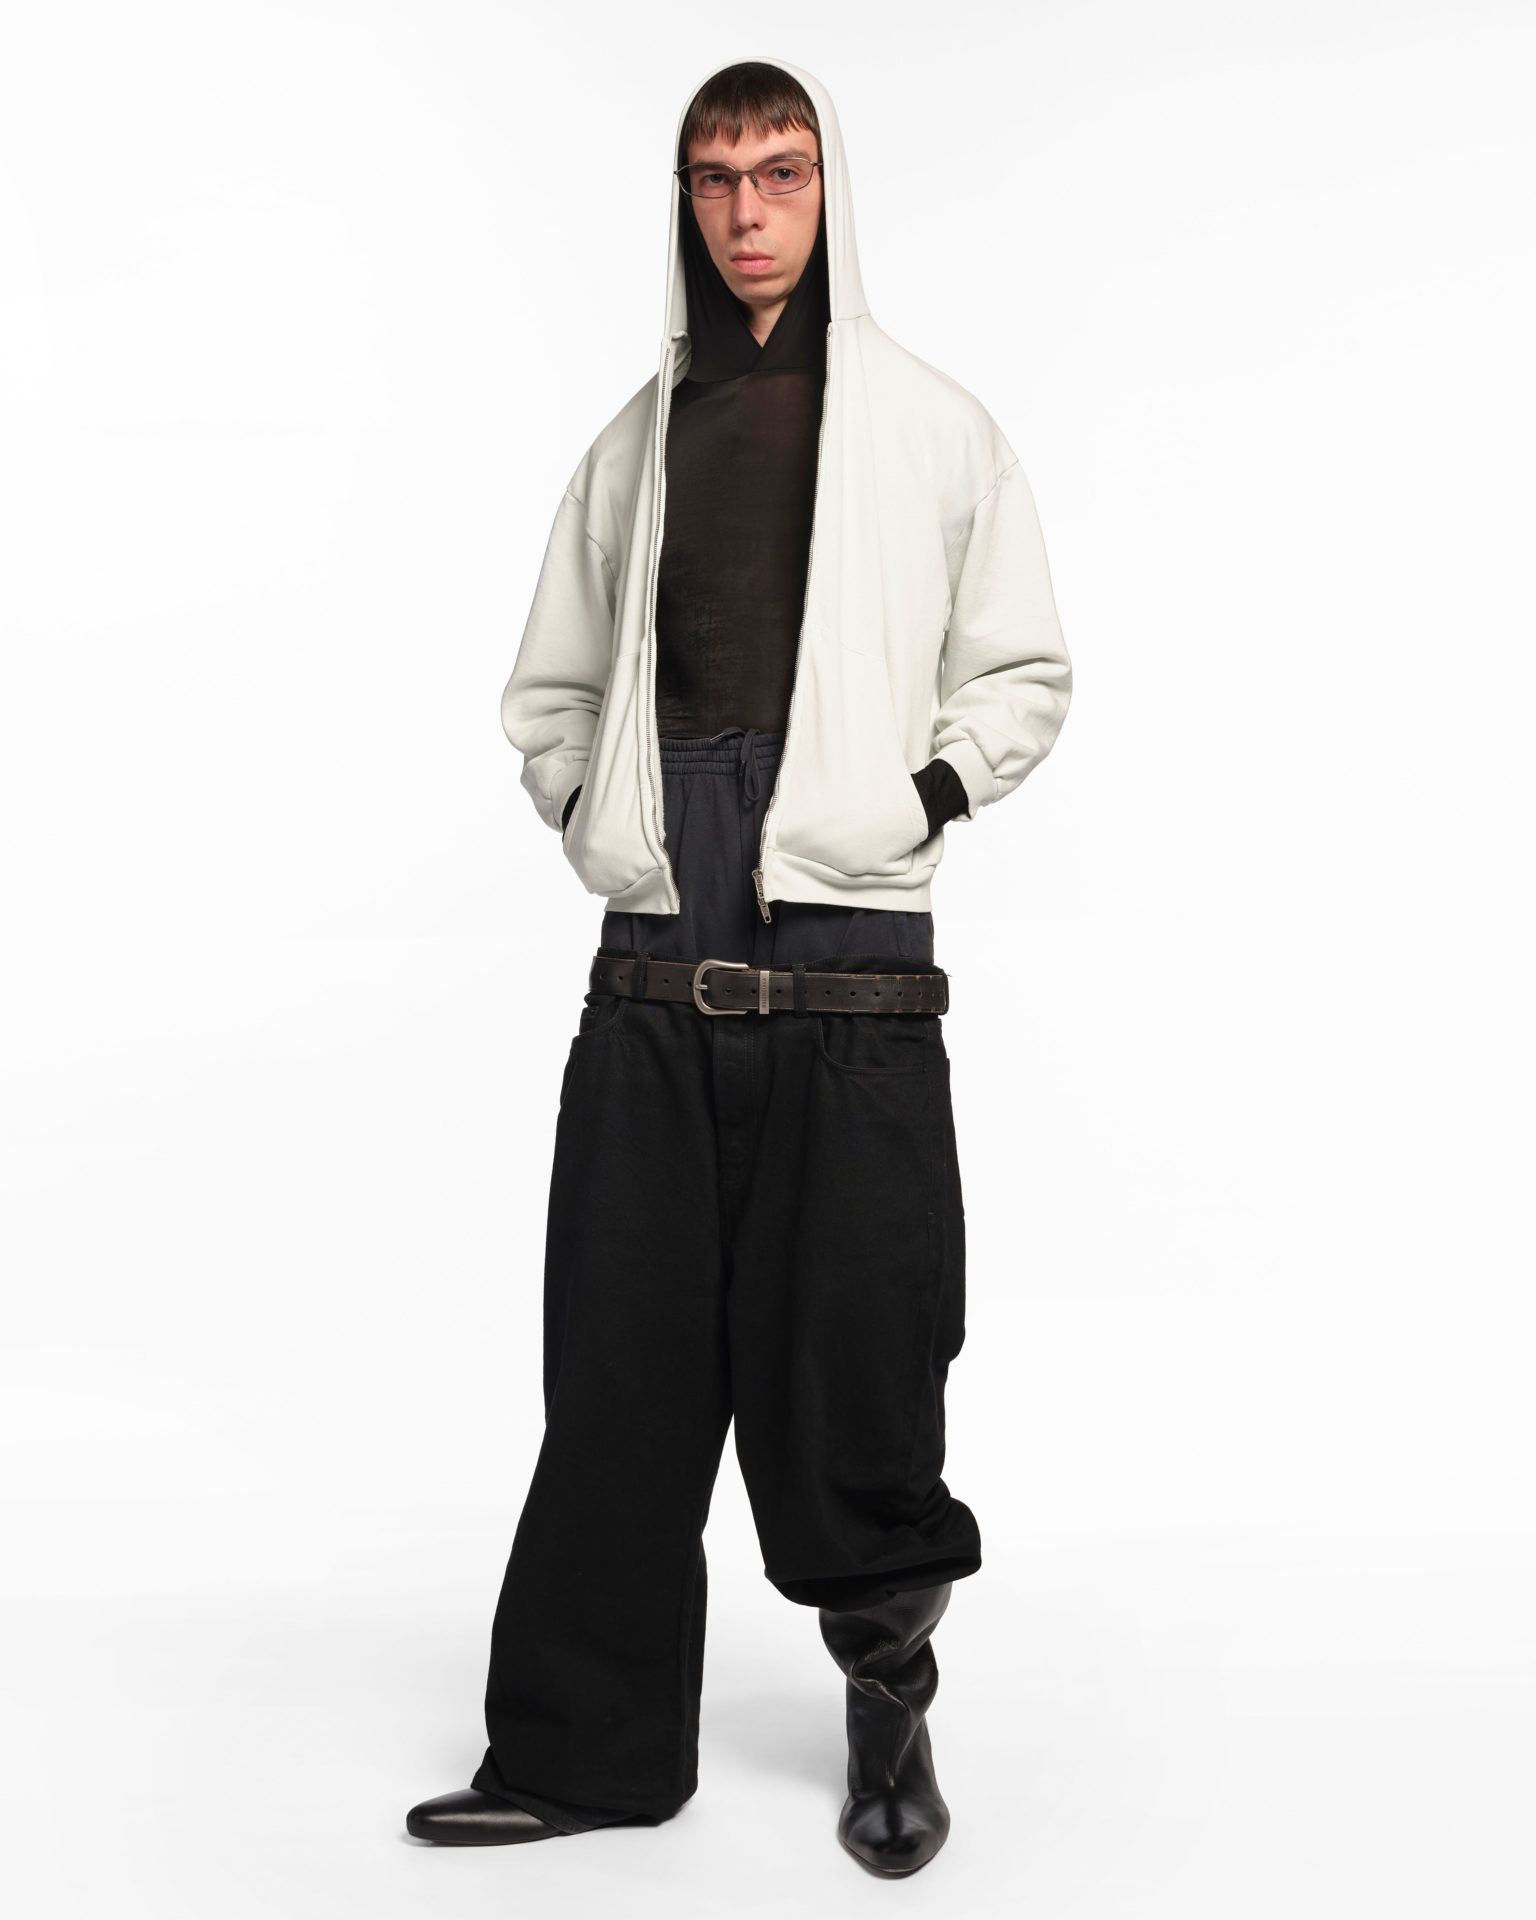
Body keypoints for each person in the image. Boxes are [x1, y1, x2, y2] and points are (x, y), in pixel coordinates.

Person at [406, 55, 1071, 1878]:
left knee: (863, 1359)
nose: (749, 210)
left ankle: (888, 1702)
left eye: (780, 172)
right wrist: (593, 812)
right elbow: (550, 686)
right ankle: (587, 1752)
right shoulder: (637, 440)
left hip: (851, 951)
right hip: (656, 950)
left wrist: (916, 795)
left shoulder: (935, 428)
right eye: (717, 179)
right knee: (617, 1364)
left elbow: (1022, 666)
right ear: (686, 203)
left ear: (828, 186)